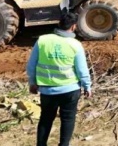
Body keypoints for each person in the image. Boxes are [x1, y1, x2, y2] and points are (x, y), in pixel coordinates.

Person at [26, 12, 92, 146]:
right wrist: (87, 86)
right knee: (68, 119)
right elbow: (82, 70)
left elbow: (31, 66)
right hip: (70, 90)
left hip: (47, 91)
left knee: (45, 119)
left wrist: (33, 83)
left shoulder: (42, 40)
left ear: (59, 24)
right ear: (73, 27)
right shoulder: (75, 45)